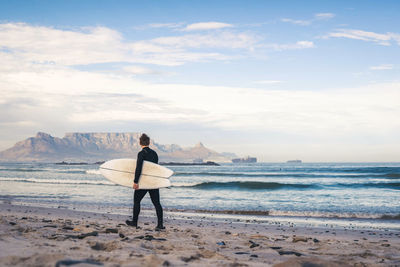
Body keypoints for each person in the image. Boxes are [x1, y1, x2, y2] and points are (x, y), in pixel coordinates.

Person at [126, 133, 165, 230]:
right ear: (149, 142)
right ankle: (160, 225)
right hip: (153, 182)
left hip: (144, 182)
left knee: (136, 201)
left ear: (140, 143)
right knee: (157, 203)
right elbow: (155, 168)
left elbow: (138, 168)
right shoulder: (155, 153)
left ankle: (134, 222)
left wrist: (135, 181)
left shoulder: (141, 153)